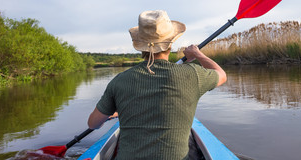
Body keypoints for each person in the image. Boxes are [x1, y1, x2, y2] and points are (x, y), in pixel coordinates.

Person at [87, 10, 227, 159]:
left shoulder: (119, 80)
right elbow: (222, 75)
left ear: (141, 46)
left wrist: (119, 110)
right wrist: (197, 54)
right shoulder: (193, 74)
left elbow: (93, 124)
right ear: (171, 43)